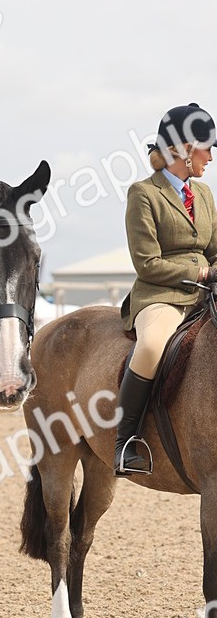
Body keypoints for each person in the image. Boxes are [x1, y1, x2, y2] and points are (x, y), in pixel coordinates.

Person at [115, 101, 217, 475]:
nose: (211, 155)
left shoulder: (203, 194)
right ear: (184, 150)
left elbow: (215, 249)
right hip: (161, 295)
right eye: (207, 147)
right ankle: (126, 440)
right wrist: (204, 274)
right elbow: (147, 263)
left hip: (205, 295)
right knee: (153, 345)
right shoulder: (143, 193)